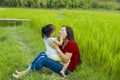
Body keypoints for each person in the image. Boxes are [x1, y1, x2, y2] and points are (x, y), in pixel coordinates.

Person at [12, 24, 81, 79]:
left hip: (66, 69)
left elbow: (66, 60)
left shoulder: (71, 43)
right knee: (42, 53)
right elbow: (56, 54)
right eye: (60, 30)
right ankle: (25, 71)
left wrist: (56, 47)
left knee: (43, 60)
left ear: (68, 33)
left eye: (62, 30)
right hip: (60, 63)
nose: (60, 31)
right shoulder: (62, 43)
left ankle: (23, 74)